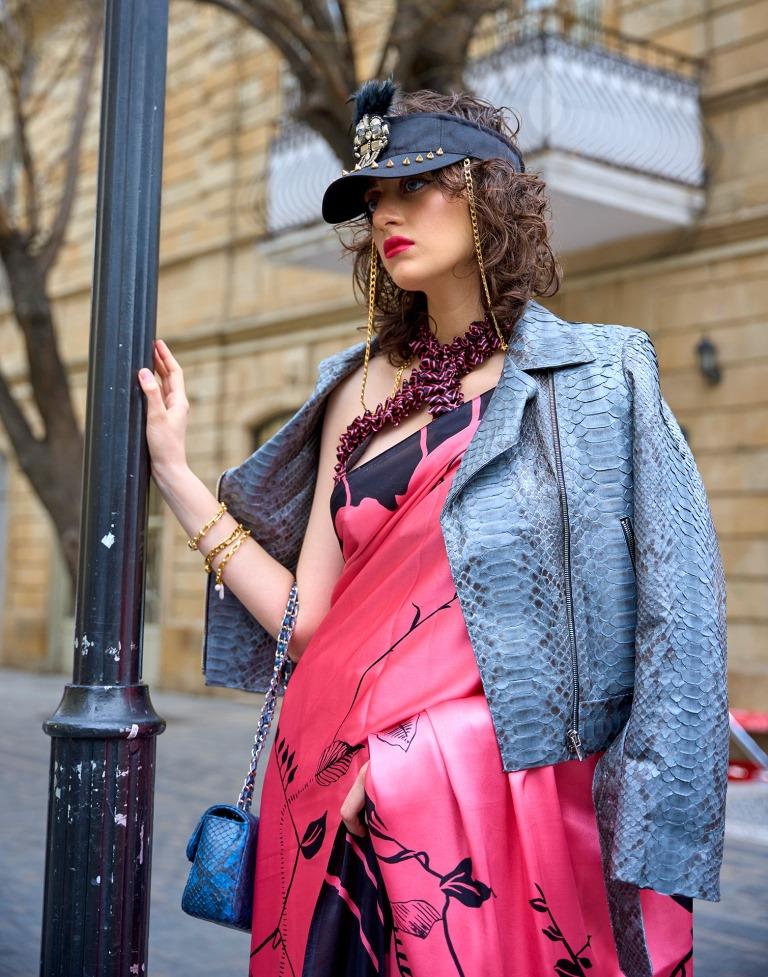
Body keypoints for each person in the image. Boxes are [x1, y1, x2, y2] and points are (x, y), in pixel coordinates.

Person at [139, 80, 728, 977]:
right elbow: (311, 620)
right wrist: (178, 477)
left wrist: (426, 753)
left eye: (417, 185)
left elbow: (678, 616)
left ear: (489, 197)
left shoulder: (600, 380)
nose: (388, 214)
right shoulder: (359, 391)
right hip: (325, 773)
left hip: (477, 800)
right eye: (376, 196)